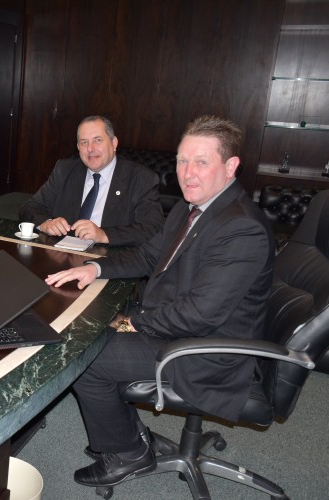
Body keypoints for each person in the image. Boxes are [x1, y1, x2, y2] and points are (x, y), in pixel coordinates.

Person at [45, 116, 274, 487]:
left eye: (201, 162)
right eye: (182, 161)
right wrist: (94, 269)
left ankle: (128, 453)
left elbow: (201, 314)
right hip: (181, 327)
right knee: (92, 332)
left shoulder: (241, 228)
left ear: (231, 167)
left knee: (84, 358)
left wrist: (132, 322)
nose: (187, 173)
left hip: (207, 350)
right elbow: (149, 255)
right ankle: (130, 435)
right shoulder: (191, 206)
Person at [19, 116, 164, 246]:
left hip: (113, 260)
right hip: (62, 254)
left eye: (98, 140)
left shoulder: (140, 178)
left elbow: (152, 228)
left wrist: (103, 235)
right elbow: (30, 207)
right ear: (78, 147)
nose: (90, 149)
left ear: (114, 143)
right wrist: (47, 223)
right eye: (84, 142)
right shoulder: (64, 170)